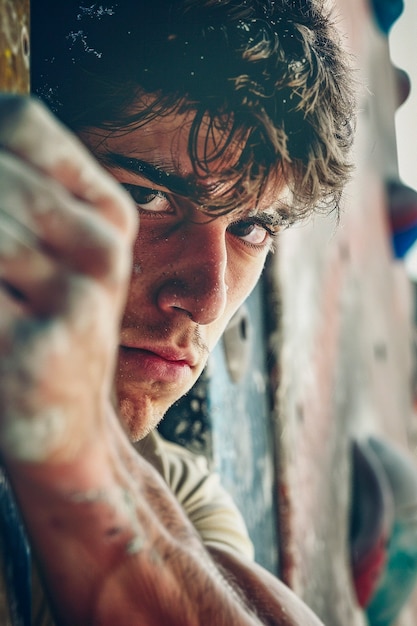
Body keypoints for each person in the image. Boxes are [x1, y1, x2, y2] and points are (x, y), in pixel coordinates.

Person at [0, 0, 355, 624]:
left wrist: (72, 439)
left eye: (249, 227)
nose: (208, 298)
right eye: (147, 196)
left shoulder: (181, 494)